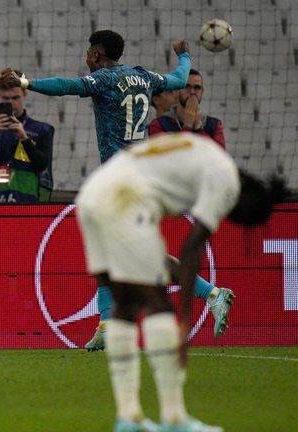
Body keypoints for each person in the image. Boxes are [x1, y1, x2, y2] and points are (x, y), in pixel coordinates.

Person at [5, 31, 231, 350]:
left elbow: (67, 87)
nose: (86, 57)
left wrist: (27, 82)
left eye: (89, 51)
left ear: (97, 55)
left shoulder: (105, 80)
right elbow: (180, 78)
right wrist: (184, 55)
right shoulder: (143, 77)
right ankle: (110, 324)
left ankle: (209, 294)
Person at [76, 132, 284, 432]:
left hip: (91, 197)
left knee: (124, 303)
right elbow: (192, 246)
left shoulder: (204, 152)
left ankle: (128, 418)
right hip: (124, 198)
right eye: (244, 219)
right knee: (157, 301)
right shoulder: (225, 177)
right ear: (247, 199)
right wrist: (185, 320)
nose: (233, 220)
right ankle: (174, 418)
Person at [0, 68, 54, 203]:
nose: (11, 103)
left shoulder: (42, 130)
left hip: (25, 203)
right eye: (6, 98)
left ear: (25, 94)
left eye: (15, 98)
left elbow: (41, 166)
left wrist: (24, 138)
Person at [149, 69, 225, 149]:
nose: (192, 92)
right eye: (187, 86)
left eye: (197, 87)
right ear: (177, 91)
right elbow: (166, 158)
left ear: (202, 92)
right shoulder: (159, 125)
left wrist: (198, 127)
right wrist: (187, 126)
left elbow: (219, 157)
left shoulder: (215, 125)